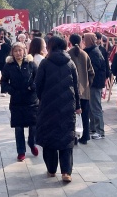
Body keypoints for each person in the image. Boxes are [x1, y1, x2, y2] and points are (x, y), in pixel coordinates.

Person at [36, 36, 81, 183]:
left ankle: (51, 169)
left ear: (50, 46)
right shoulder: (70, 63)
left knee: (49, 138)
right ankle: (66, 172)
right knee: (66, 138)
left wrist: (43, 98)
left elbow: (38, 85)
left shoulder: (45, 63)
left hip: (48, 107)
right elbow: (76, 86)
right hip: (68, 106)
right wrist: (78, 106)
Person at [0, 42, 39, 162]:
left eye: (20, 50)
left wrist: (32, 87)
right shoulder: (8, 66)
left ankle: (32, 143)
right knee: (18, 127)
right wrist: (11, 90)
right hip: (17, 100)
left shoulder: (31, 64)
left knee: (33, 125)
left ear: (24, 51)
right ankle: (21, 151)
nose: (18, 53)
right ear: (12, 52)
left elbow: (38, 78)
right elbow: (3, 82)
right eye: (15, 51)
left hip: (31, 100)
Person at [68, 34, 94, 144]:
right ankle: (85, 136)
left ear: (70, 42)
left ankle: (73, 137)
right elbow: (91, 72)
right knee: (85, 114)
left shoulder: (68, 54)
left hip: (72, 90)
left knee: (71, 116)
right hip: (84, 90)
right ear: (80, 41)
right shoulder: (85, 54)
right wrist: (87, 84)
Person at [83, 33, 106, 139]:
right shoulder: (92, 51)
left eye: (85, 39)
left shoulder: (94, 52)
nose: (83, 41)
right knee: (92, 106)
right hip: (93, 83)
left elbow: (93, 68)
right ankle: (93, 128)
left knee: (96, 107)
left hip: (95, 83)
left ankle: (100, 131)